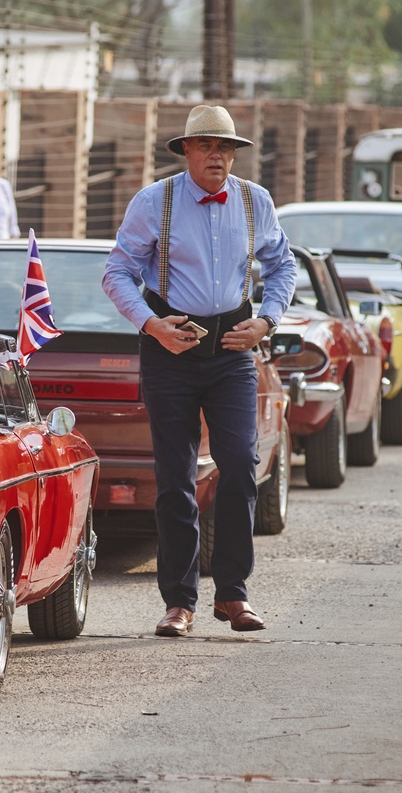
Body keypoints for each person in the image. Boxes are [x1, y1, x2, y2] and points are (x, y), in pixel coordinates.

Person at [102, 105, 297, 638]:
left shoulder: (256, 202)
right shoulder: (154, 201)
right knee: (175, 476)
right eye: (207, 145)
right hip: (171, 352)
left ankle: (233, 594)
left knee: (239, 461)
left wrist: (266, 322)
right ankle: (179, 602)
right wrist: (151, 326)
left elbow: (283, 265)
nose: (218, 155)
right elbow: (117, 270)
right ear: (185, 150)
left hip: (233, 349)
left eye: (226, 147)